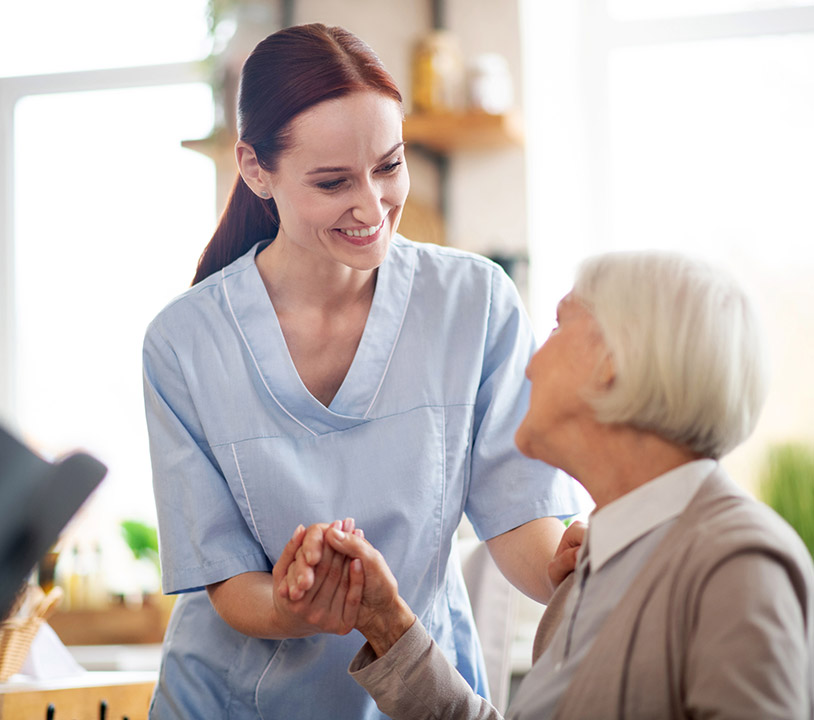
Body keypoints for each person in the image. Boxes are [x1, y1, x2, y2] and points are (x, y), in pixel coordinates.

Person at [141, 23, 583, 719]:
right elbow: (225, 584)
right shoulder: (184, 343)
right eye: (332, 181)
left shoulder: (474, 303)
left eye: (389, 165)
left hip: (417, 700)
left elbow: (520, 516)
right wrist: (297, 607)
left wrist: (569, 568)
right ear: (256, 169)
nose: (373, 207)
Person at [286, 250, 814, 719]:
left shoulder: (738, 564)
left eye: (559, 329)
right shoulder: (594, 569)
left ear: (613, 360)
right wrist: (384, 620)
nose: (532, 365)